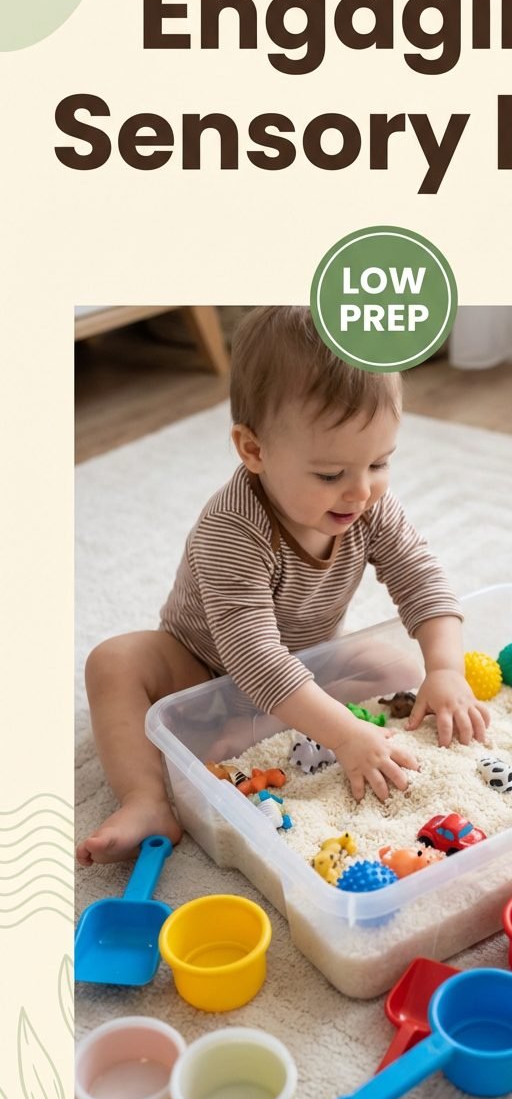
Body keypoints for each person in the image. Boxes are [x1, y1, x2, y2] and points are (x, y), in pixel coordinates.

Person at [77, 306, 489, 866]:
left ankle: (250, 730)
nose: (360, 492)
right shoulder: (232, 528)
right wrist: (344, 736)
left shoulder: (368, 506)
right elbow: (252, 657)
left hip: (305, 662)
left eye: (379, 463)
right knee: (113, 662)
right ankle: (146, 799)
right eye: (331, 474)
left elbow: (421, 576)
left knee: (393, 668)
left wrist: (445, 669)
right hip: (201, 663)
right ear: (254, 450)